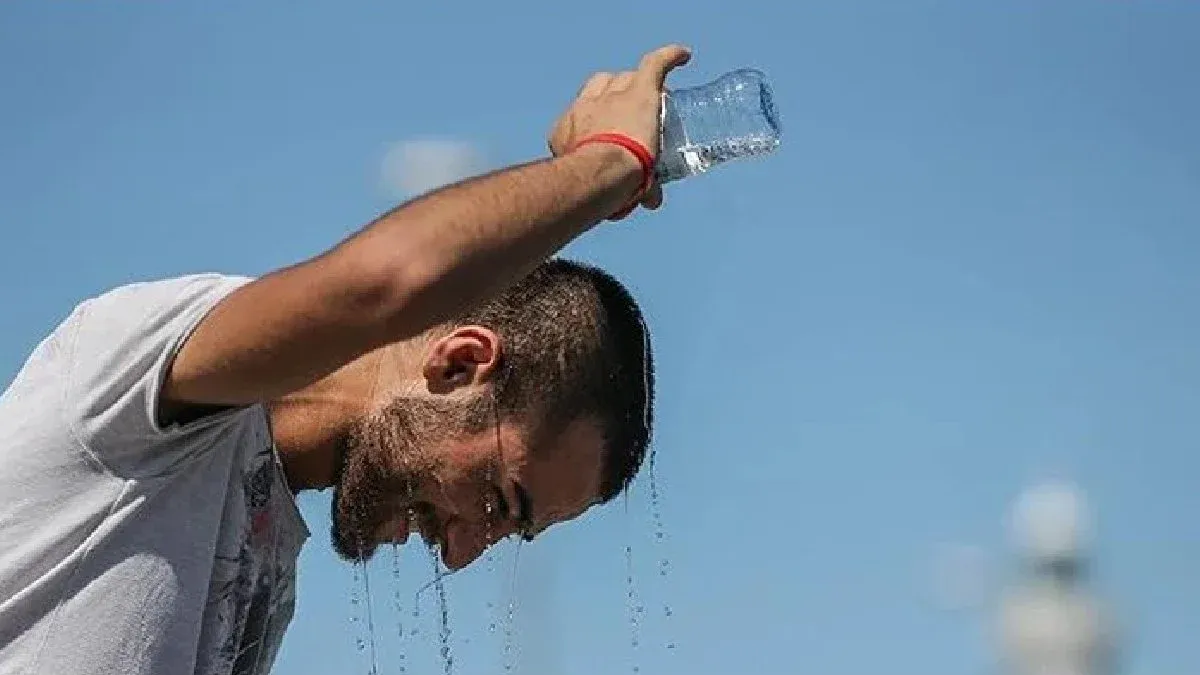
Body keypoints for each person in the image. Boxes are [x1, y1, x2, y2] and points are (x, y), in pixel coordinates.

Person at [0, 43, 692, 675]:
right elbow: (387, 284)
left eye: (510, 531)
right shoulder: (145, 378)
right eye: (498, 500)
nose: (460, 552)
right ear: (459, 365)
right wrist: (609, 160)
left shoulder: (267, 562)